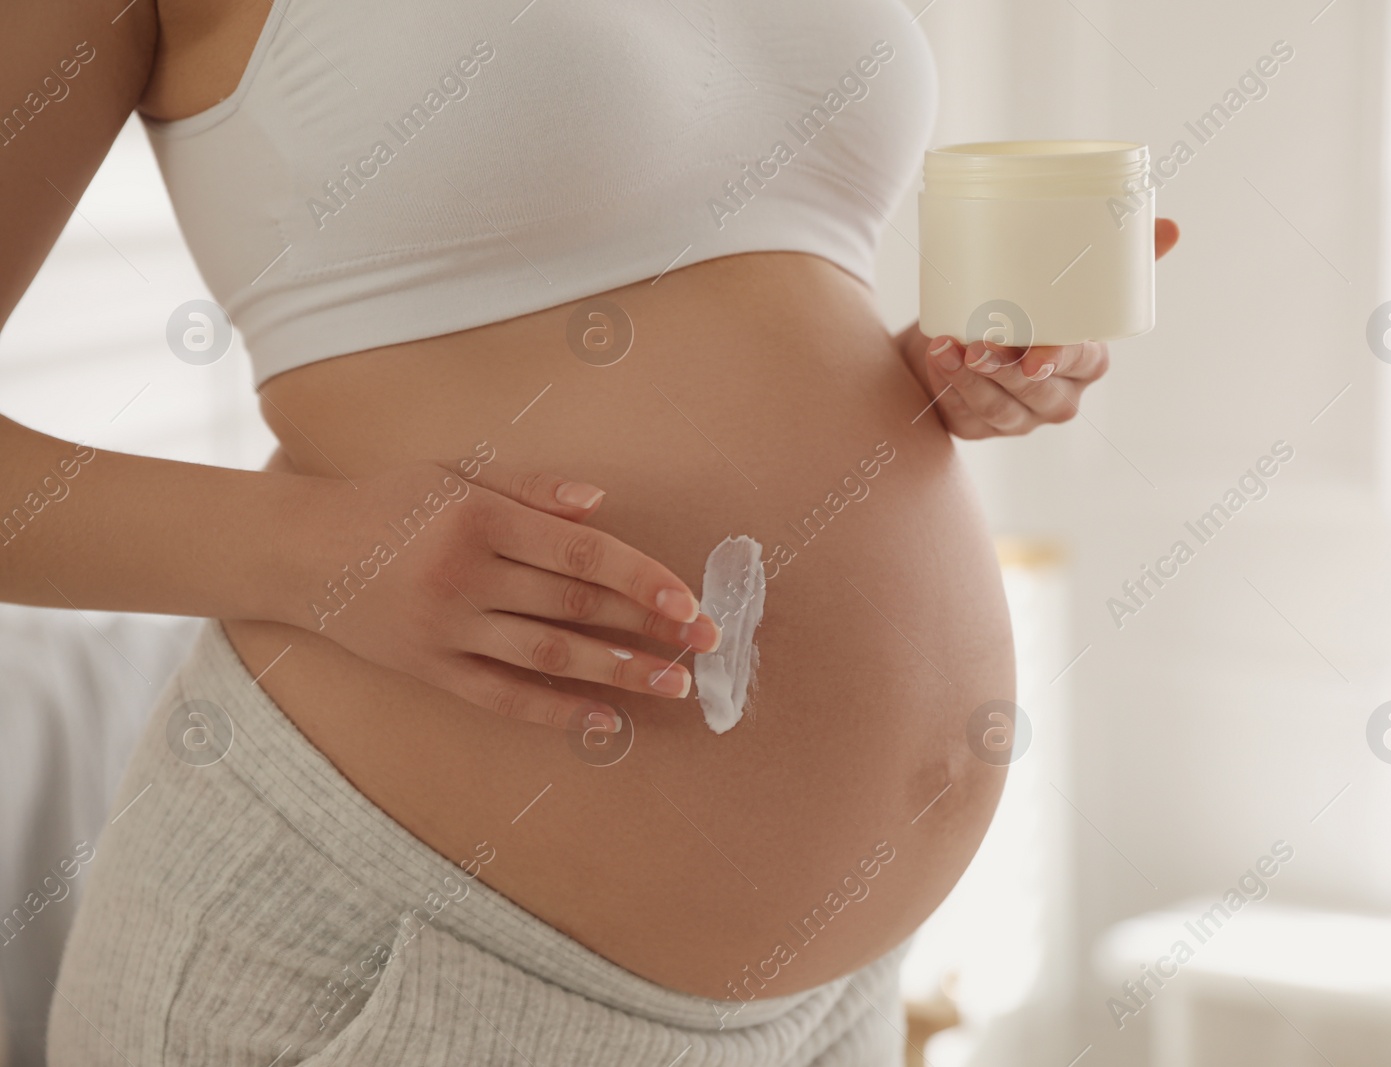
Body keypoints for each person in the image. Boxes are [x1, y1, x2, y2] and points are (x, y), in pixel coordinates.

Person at [3, 0, 1177, 1063]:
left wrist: (950, 374)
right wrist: (316, 549)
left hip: (839, 995)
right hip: (393, 960)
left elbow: (751, 272)